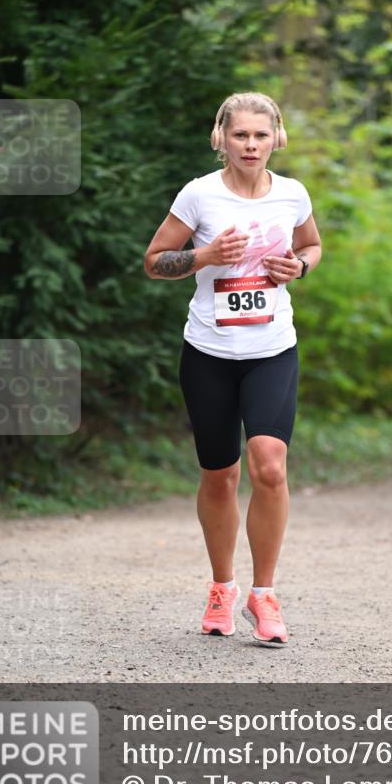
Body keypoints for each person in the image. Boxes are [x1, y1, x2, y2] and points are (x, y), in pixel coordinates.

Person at [143, 92, 321, 643]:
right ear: (221, 137)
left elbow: (312, 246)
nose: (250, 145)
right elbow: (154, 262)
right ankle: (222, 586)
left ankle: (263, 595)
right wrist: (204, 256)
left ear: (277, 138)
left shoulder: (292, 194)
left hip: (272, 349)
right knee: (220, 475)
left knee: (270, 465)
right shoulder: (199, 194)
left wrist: (299, 267)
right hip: (209, 353)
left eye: (260, 135)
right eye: (240, 134)